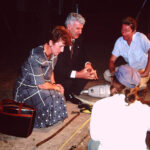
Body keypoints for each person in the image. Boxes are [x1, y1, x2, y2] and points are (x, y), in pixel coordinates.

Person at [13, 26, 71, 128]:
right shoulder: (35, 56)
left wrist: (54, 84)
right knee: (48, 94)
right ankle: (37, 120)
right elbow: (41, 85)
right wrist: (55, 88)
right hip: (25, 90)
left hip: (39, 84)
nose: (62, 50)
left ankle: (50, 118)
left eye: (63, 47)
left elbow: (51, 70)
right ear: (51, 42)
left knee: (58, 92)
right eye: (60, 46)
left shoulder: (54, 53)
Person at [89, 64, 150, 150]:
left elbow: (95, 136)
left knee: (92, 143)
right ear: (137, 86)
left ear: (113, 82)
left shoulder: (99, 105)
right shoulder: (145, 110)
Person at [54, 12, 98, 104]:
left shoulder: (78, 37)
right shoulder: (59, 39)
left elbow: (83, 54)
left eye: (81, 28)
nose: (80, 32)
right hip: (56, 74)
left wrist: (88, 66)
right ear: (69, 27)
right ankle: (66, 94)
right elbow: (59, 69)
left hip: (69, 69)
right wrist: (79, 74)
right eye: (77, 28)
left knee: (88, 73)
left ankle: (71, 92)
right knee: (69, 81)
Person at [104, 16, 150, 89]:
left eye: (127, 30)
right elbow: (111, 60)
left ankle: (137, 85)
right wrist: (113, 74)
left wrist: (146, 72)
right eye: (122, 30)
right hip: (130, 69)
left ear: (134, 31)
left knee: (134, 84)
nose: (123, 33)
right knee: (107, 74)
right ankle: (130, 85)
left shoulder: (141, 38)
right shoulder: (119, 41)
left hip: (142, 69)